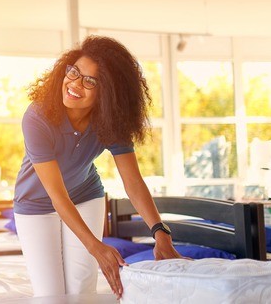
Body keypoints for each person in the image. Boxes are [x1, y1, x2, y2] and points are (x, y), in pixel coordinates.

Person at [12, 35, 183, 299]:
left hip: (85, 197)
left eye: (90, 80)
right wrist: (96, 247)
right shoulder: (38, 117)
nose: (75, 83)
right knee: (50, 295)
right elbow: (57, 196)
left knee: (81, 289)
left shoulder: (111, 122)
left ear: (108, 92)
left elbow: (133, 183)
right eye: (74, 72)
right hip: (35, 205)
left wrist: (160, 232)